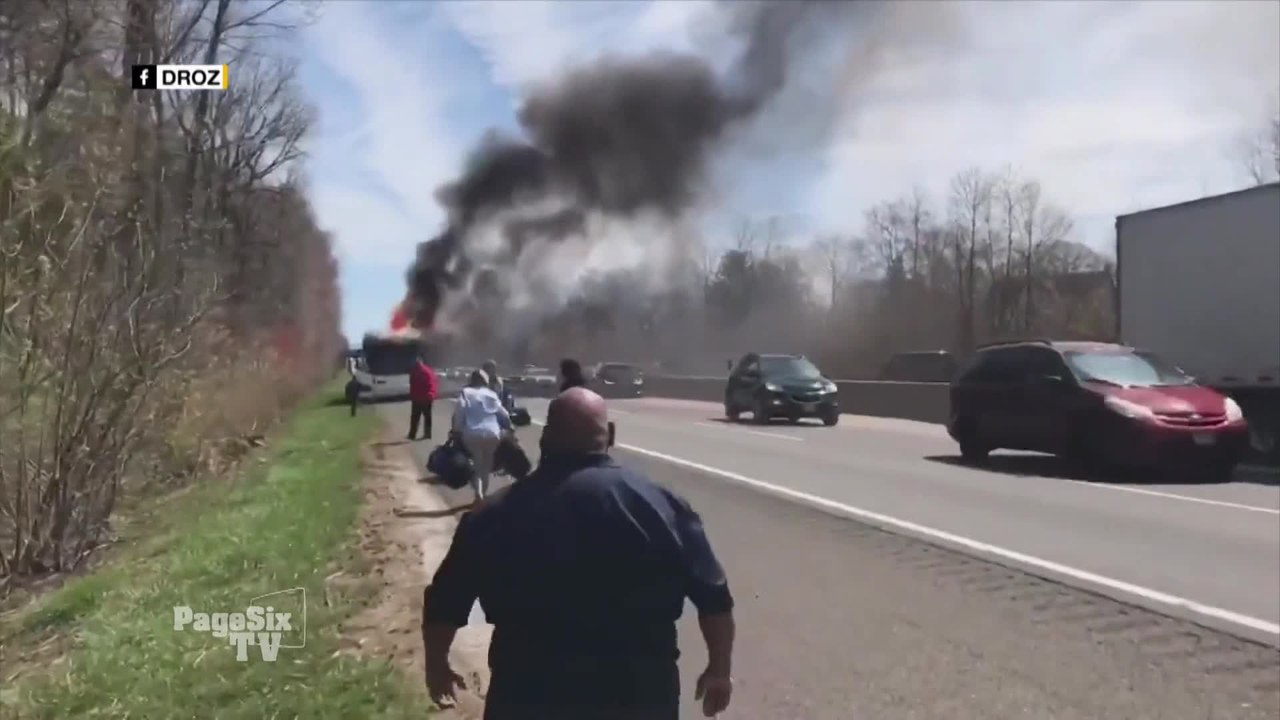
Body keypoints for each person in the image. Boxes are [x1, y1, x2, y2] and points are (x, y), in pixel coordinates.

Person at [422, 387, 735, 720]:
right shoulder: (663, 506)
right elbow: (714, 596)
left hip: (526, 694)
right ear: (610, 435)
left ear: (544, 439)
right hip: (640, 695)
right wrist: (719, 668)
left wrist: (437, 665)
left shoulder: (491, 515)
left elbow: (446, 600)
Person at [452, 369, 511, 501]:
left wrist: (457, 430)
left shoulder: (466, 393)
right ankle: (483, 495)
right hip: (493, 433)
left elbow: (459, 412)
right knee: (487, 466)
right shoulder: (491, 394)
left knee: (476, 464)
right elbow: (504, 414)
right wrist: (509, 427)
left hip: (472, 434)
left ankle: (477, 493)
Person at [408, 350, 440, 441]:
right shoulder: (428, 371)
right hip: (426, 397)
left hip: (419, 398)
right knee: (427, 417)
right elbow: (433, 383)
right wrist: (432, 394)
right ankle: (427, 434)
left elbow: (412, 385)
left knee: (415, 417)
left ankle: (412, 435)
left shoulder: (414, 372)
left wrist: (412, 395)